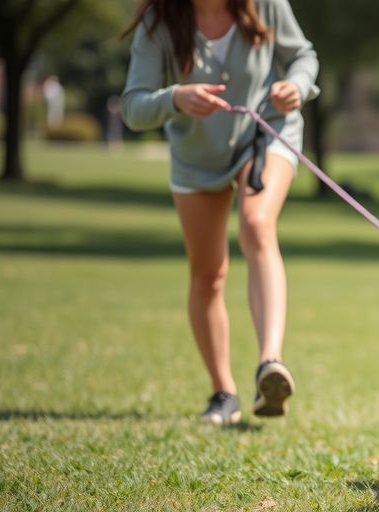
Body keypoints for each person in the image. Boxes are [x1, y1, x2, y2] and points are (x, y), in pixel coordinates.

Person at [121, 0, 319, 425]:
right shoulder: (159, 23)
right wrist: (174, 97)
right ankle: (222, 392)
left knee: (257, 224)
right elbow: (133, 107)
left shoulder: (265, 5)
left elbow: (302, 55)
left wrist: (298, 87)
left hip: (266, 133)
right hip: (197, 156)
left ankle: (270, 362)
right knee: (208, 274)